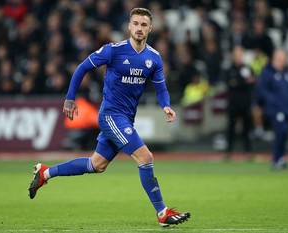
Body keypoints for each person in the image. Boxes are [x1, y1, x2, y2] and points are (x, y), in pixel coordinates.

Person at [28, 8, 190, 227]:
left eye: (144, 25)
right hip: (111, 115)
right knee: (146, 157)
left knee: (97, 164)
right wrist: (69, 98)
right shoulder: (113, 51)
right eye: (135, 24)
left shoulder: (154, 58)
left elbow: (161, 88)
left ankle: (46, 173)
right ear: (129, 26)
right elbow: (82, 68)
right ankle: (162, 212)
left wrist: (166, 106)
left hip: (126, 118)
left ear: (150, 28)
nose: (139, 28)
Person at [257, 50, 288, 170]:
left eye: (284, 58)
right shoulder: (268, 73)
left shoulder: (287, 73)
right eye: (281, 58)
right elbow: (262, 90)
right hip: (275, 109)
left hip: (287, 109)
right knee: (281, 131)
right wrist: (274, 101)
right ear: (275, 58)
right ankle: (276, 159)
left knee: (284, 133)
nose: (283, 60)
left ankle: (281, 158)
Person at [224, 46, 255, 160]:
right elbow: (230, 84)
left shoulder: (247, 68)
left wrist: (238, 82)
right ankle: (228, 152)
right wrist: (244, 82)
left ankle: (248, 151)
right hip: (233, 103)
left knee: (246, 129)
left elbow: (252, 82)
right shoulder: (229, 69)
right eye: (236, 54)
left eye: (240, 54)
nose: (238, 57)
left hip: (245, 103)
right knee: (231, 128)